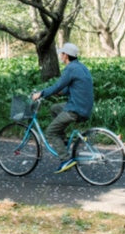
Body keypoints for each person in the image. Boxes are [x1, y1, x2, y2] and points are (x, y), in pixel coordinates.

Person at [31, 42, 94, 173]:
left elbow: (57, 86)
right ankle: (63, 140)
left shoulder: (70, 69)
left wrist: (41, 93)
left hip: (75, 109)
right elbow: (74, 88)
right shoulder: (81, 67)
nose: (60, 55)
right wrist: (61, 92)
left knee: (50, 132)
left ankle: (65, 160)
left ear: (66, 55)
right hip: (84, 106)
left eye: (62, 53)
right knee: (55, 108)